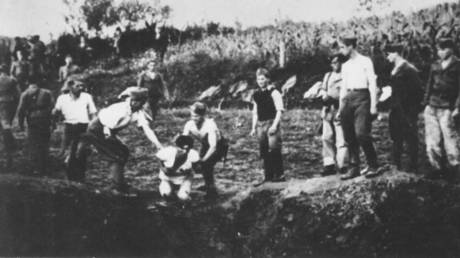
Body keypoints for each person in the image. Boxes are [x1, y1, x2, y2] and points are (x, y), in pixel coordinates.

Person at [75, 88, 163, 193]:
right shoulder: (121, 109)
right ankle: (117, 186)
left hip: (108, 131)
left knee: (124, 151)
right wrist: (110, 138)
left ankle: (119, 181)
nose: (136, 103)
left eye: (140, 102)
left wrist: (158, 144)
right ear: (131, 100)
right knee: (116, 156)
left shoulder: (138, 112)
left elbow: (147, 129)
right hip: (98, 129)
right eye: (134, 100)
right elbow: (107, 125)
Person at [338, 36, 380, 180]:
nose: (340, 50)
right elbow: (343, 88)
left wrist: (374, 105)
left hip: (363, 98)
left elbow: (372, 84)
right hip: (348, 99)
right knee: (348, 135)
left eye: (342, 47)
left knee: (361, 133)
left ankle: (373, 164)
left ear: (351, 46)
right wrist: (340, 108)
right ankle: (353, 167)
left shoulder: (365, 61)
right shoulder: (345, 65)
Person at [423, 38, 460, 181]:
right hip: (432, 106)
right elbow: (429, 85)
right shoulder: (435, 65)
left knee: (450, 139)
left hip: (447, 107)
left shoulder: (457, 65)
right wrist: (426, 103)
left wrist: (457, 107)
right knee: (432, 140)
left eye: (443, 49)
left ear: (451, 49)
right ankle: (437, 169)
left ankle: (455, 169)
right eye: (438, 49)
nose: (440, 52)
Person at [384, 44, 423, 173]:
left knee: (410, 137)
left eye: (389, 53)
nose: (387, 57)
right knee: (396, 136)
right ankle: (397, 164)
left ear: (396, 53)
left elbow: (418, 91)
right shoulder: (395, 69)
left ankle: (413, 165)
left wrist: (413, 111)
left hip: (407, 108)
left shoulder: (409, 69)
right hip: (396, 108)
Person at [52, 80, 97, 181]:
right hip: (69, 127)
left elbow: (93, 113)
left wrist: (92, 124)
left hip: (84, 127)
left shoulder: (86, 97)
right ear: (70, 87)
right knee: (69, 151)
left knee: (81, 151)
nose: (81, 88)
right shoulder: (62, 98)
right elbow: (56, 112)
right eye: (78, 86)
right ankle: (70, 177)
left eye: (82, 86)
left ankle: (80, 177)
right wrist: (54, 123)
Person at [183, 102, 228, 197]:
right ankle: (208, 184)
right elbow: (184, 140)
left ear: (202, 115)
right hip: (205, 144)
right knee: (200, 166)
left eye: (196, 116)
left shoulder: (210, 125)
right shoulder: (189, 124)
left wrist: (202, 160)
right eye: (192, 116)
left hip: (219, 146)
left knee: (206, 165)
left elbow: (213, 147)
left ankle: (212, 192)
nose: (193, 118)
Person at [250, 68, 285, 185]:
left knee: (274, 148)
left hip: (271, 123)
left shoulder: (274, 92)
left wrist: (275, 125)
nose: (260, 81)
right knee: (264, 150)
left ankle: (279, 174)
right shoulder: (256, 94)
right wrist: (253, 127)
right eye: (258, 79)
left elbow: (279, 110)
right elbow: (255, 112)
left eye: (263, 78)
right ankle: (268, 175)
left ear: (268, 79)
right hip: (261, 124)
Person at [17, 77, 54, 176]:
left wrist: (21, 124)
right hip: (45, 120)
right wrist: (53, 123)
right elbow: (52, 108)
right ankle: (44, 168)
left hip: (32, 120)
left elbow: (21, 110)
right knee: (44, 144)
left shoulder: (25, 93)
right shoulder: (47, 93)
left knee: (33, 144)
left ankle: (35, 168)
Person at [319, 54, 349, 176]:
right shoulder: (328, 75)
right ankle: (329, 164)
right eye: (332, 63)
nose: (334, 65)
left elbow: (346, 94)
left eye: (336, 62)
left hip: (340, 107)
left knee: (341, 139)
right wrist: (323, 95)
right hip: (328, 108)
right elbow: (323, 88)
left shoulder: (346, 76)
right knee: (326, 137)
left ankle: (343, 164)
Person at [155, 135, 200, 201]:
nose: (184, 151)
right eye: (182, 148)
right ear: (176, 146)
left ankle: (185, 197)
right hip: (168, 178)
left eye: (187, 149)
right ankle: (171, 191)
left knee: (183, 197)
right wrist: (162, 168)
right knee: (166, 194)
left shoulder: (193, 154)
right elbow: (158, 157)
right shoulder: (168, 151)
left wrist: (191, 170)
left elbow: (196, 166)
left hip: (184, 178)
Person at [0, 64, 20, 170]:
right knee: (6, 125)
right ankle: (10, 149)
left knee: (4, 126)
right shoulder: (12, 80)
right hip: (8, 105)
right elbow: (18, 94)